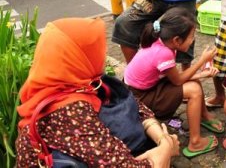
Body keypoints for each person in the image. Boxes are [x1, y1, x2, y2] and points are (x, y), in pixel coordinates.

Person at [15, 18, 180, 167]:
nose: (103, 55)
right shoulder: (70, 110)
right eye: (97, 49)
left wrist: (161, 138)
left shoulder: (77, 81)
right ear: (79, 57)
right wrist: (165, 150)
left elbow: (136, 107)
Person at [124, 7, 225, 159]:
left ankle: (203, 116)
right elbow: (178, 80)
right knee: (194, 90)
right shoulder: (163, 52)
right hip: (140, 98)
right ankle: (196, 142)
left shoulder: (161, 41)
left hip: (143, 87)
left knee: (194, 83)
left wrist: (202, 74)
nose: (193, 40)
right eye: (192, 36)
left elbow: (177, 77)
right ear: (177, 40)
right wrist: (202, 61)